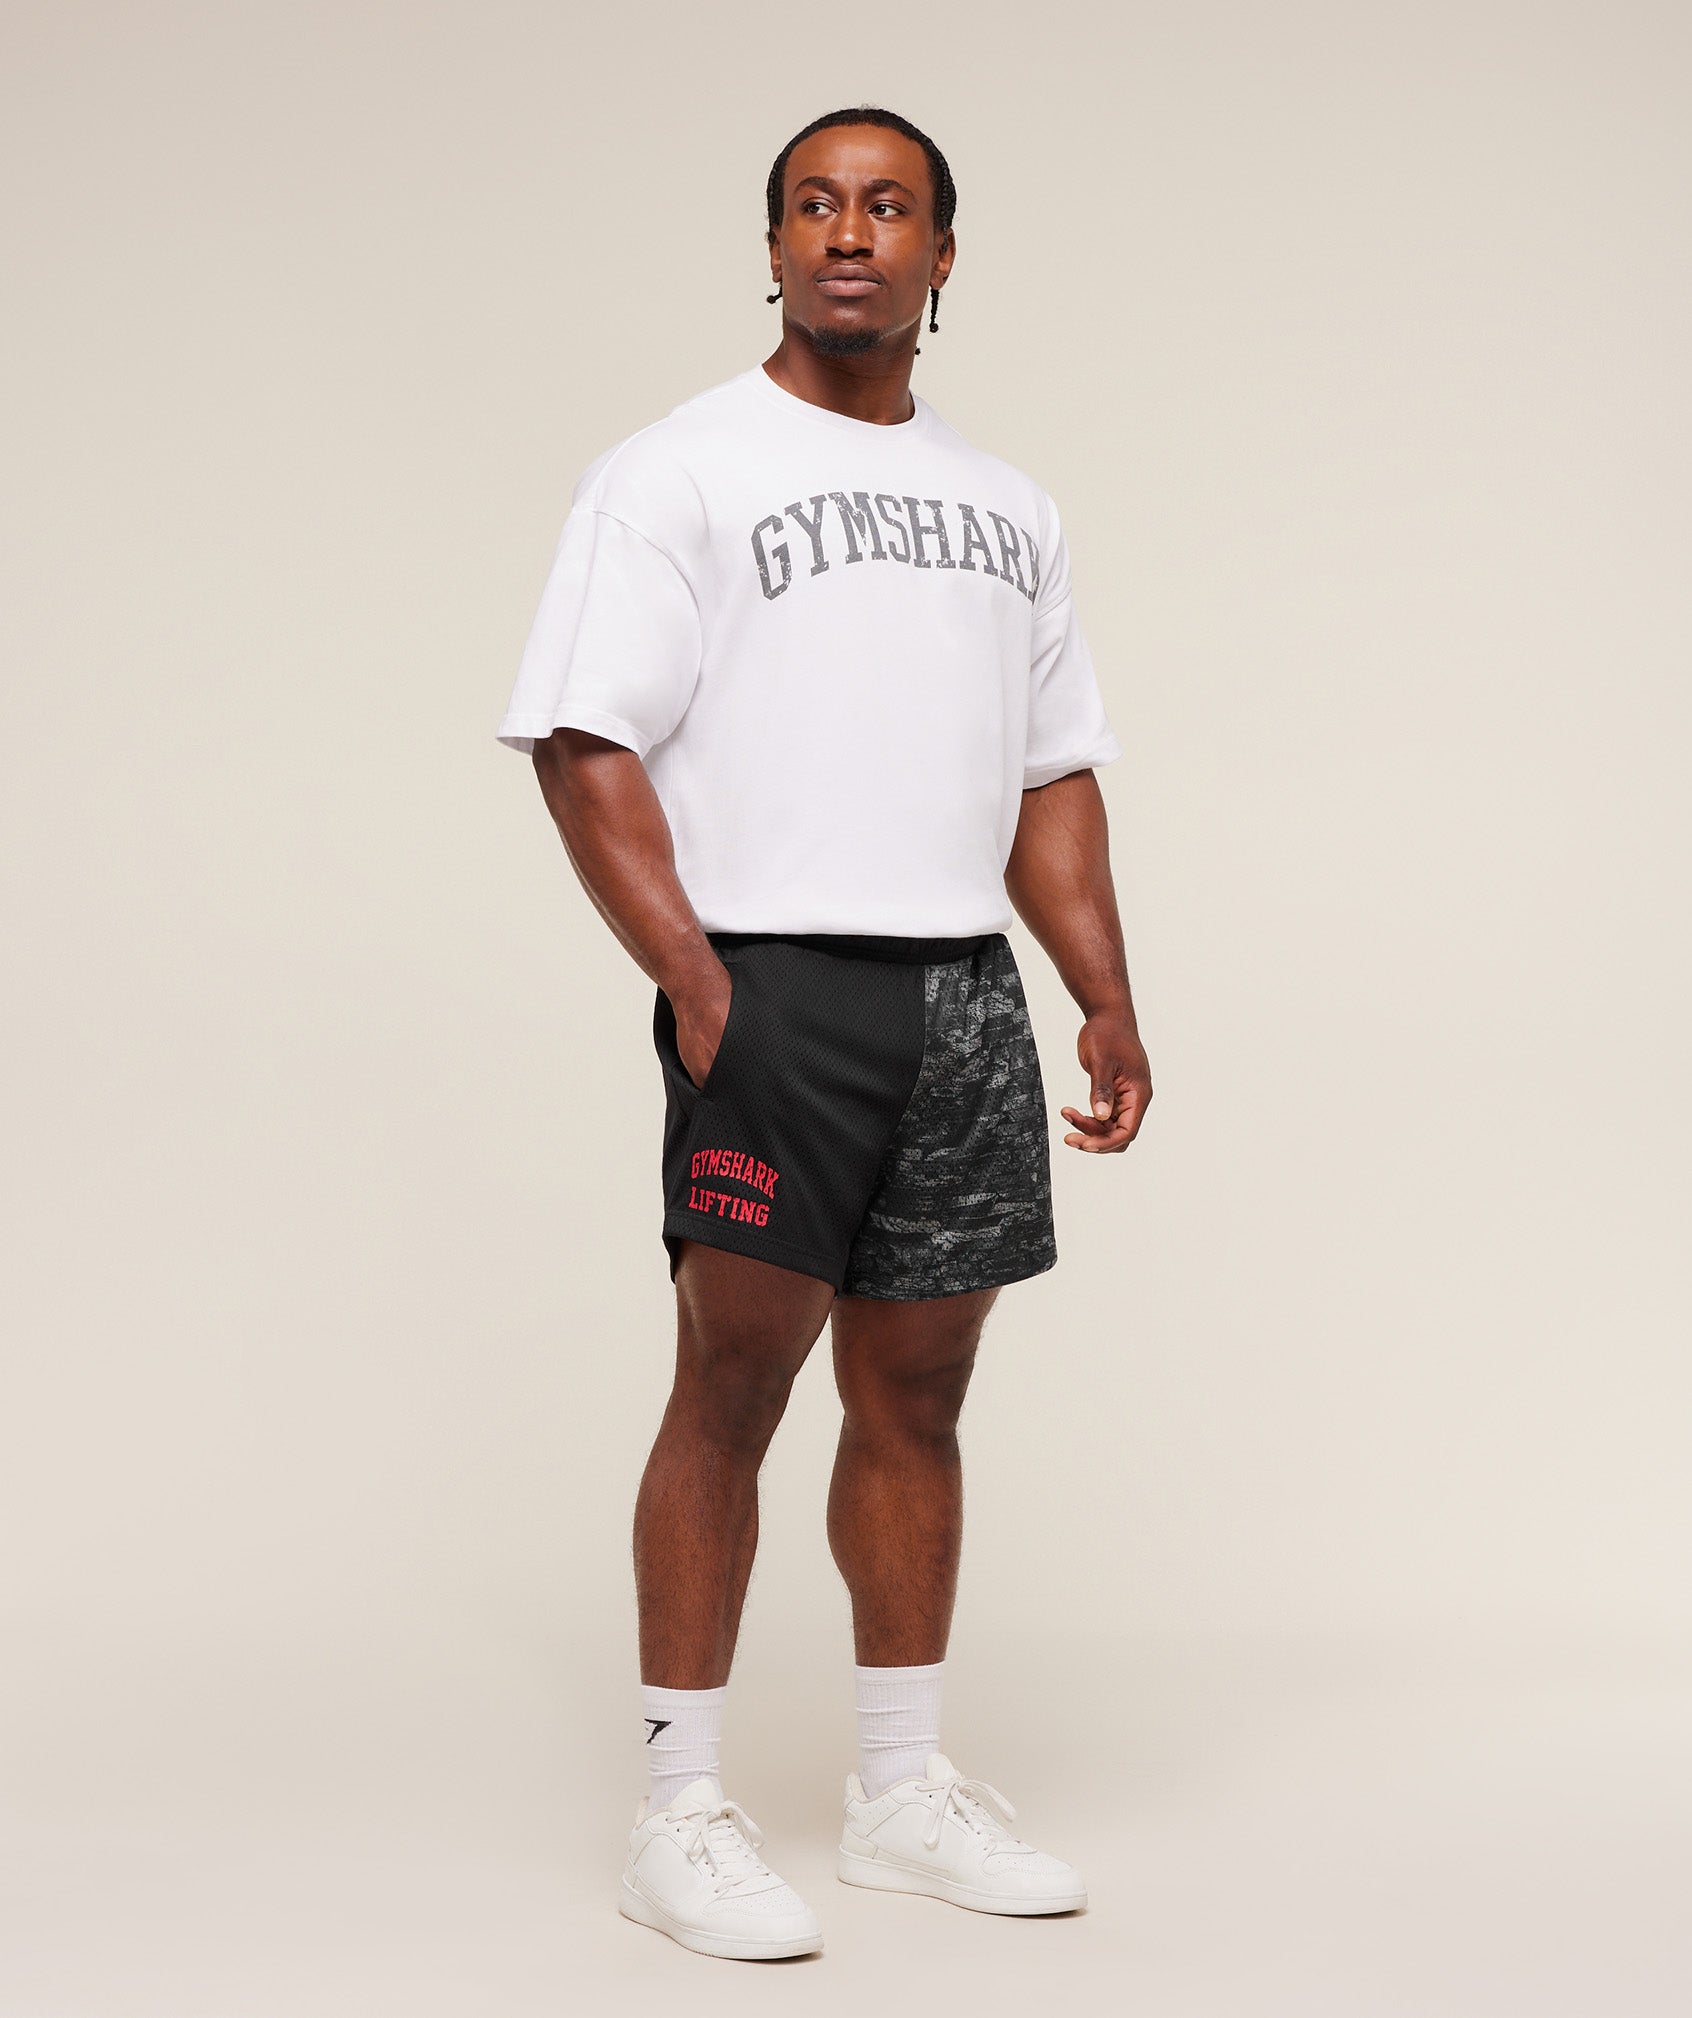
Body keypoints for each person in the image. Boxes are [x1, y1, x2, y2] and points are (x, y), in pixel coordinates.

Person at [495, 103, 1152, 1963]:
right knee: (733, 1386)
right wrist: (702, 981)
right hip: (778, 983)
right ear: (773, 244)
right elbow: (586, 743)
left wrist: (1101, 987)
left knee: (920, 1395)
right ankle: (679, 1809)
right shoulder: (676, 472)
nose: (849, 233)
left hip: (963, 992)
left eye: (888, 207)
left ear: (943, 255)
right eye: (813, 204)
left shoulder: (1012, 505)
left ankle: (897, 1789)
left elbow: (1050, 772)